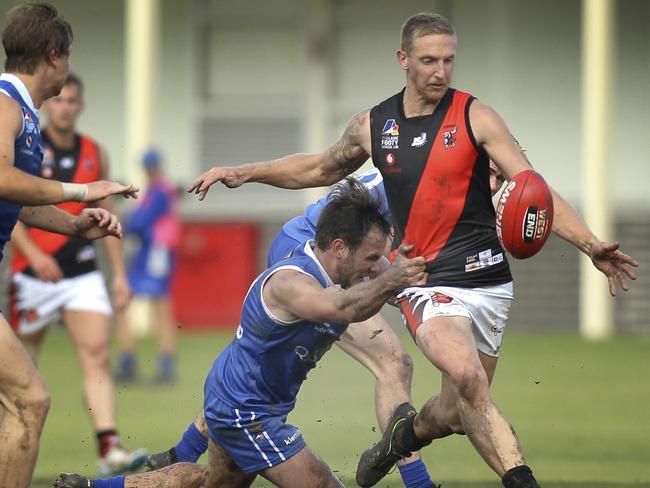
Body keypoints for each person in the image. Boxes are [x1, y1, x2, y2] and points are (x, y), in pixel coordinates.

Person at [183, 12, 639, 488]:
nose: (440, 71)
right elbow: (319, 168)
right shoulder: (375, 125)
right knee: (464, 376)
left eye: (448, 60)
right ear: (403, 60)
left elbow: (532, 187)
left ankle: (402, 438)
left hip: (487, 281)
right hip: (425, 279)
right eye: (428, 61)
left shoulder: (476, 117)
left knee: (455, 412)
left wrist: (590, 244)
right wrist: (245, 172)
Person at [54, 178, 427, 488]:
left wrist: (398, 280)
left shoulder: (340, 276)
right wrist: (394, 278)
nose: (379, 267)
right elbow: (337, 309)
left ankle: (90, 486)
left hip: (237, 398)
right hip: (246, 413)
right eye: (372, 258)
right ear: (340, 249)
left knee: (209, 483)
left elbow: (358, 303)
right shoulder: (291, 282)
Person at [0, 3, 139, 487]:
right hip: (27, 278)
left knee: (22, 399)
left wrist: (76, 226)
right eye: (69, 55)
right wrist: (82, 191)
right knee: (30, 399)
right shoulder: (4, 104)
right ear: (54, 56)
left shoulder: (22, 112)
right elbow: (1, 178)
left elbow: (15, 197)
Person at [114, 148, 181, 384]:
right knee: (143, 305)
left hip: (156, 254)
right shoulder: (158, 190)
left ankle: (160, 364)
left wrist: (126, 225)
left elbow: (140, 222)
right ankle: (134, 360)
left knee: (159, 308)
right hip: (150, 253)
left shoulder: (160, 191)